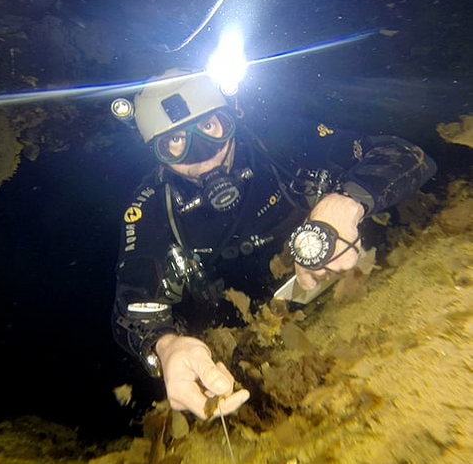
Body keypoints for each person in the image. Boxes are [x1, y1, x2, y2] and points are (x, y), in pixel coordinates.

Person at [112, 68, 436, 420]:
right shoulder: (152, 208)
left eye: (209, 127)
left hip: (344, 286)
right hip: (248, 333)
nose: (201, 154)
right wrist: (167, 345)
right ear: (156, 154)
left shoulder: (278, 141)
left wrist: (345, 202)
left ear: (231, 115)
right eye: (175, 142)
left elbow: (405, 155)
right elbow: (132, 307)